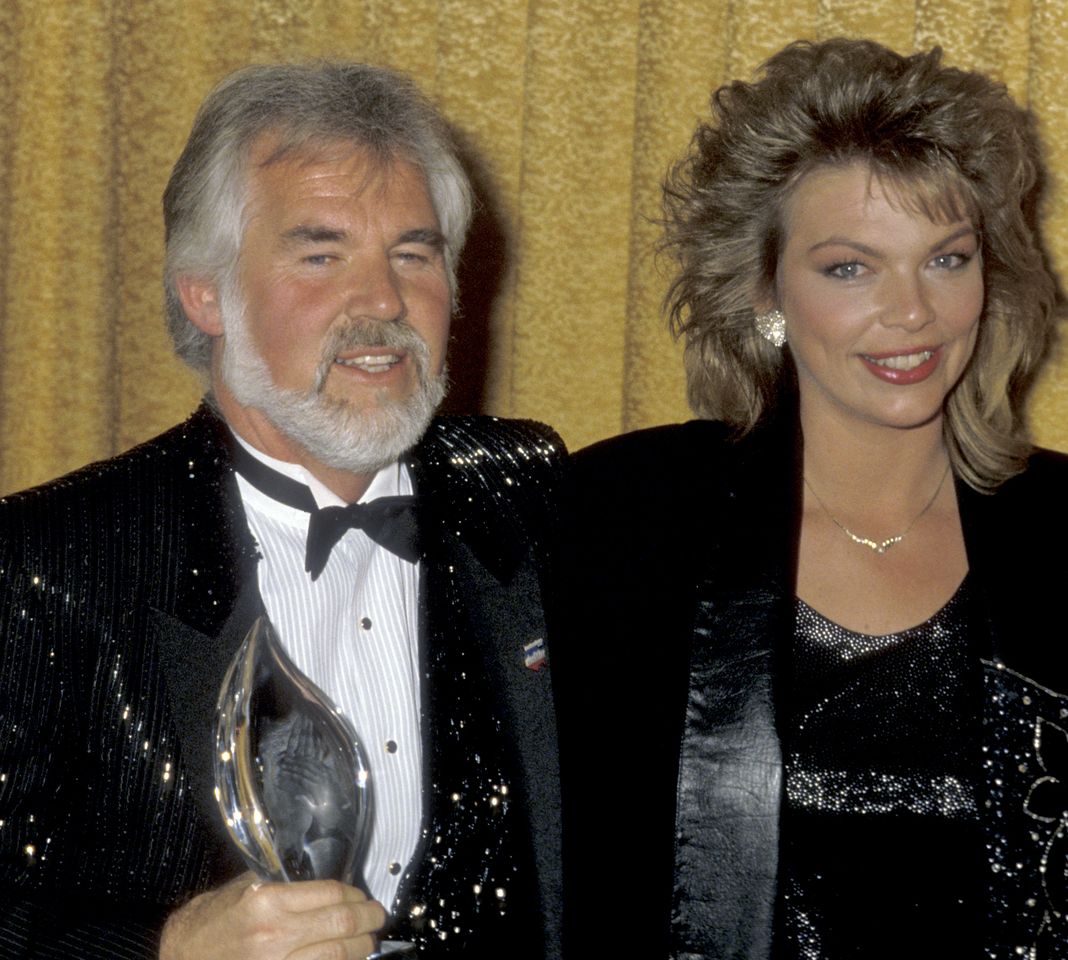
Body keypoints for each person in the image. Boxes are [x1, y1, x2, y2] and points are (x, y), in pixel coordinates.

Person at [0, 62, 563, 960]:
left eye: (414, 253)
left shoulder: (533, 499)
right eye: (321, 254)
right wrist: (167, 947)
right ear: (204, 292)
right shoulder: (51, 562)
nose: (383, 303)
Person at [555, 38, 1068, 959]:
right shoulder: (628, 520)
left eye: (947, 260)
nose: (912, 312)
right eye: (849, 268)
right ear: (766, 292)